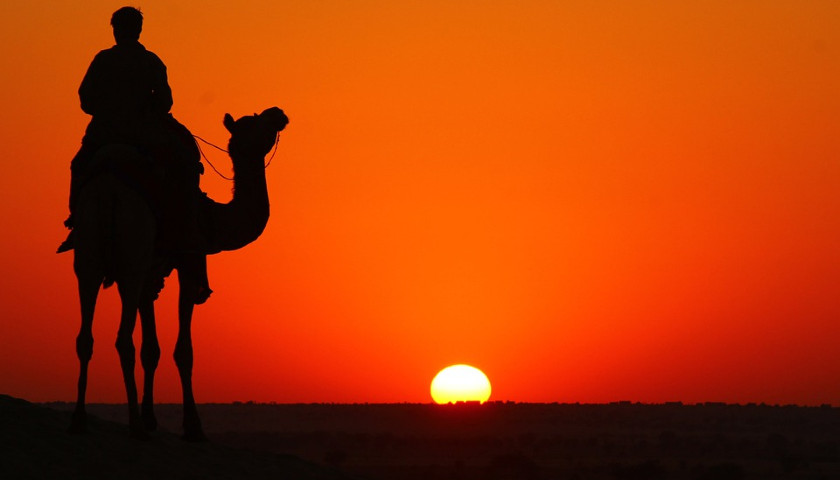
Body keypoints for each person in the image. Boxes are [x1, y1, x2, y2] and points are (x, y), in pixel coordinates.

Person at [59, 7, 211, 302]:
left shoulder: (103, 60)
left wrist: (109, 108)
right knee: (176, 173)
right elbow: (165, 102)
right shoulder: (150, 62)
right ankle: (178, 233)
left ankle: (77, 222)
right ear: (138, 30)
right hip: (143, 137)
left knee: (79, 166)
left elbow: (85, 99)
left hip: (104, 135)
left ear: (116, 29)